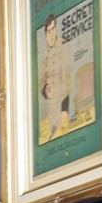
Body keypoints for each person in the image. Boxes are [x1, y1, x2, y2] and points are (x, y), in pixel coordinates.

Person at [38, 12, 71, 142]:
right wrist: (45, 89)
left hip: (61, 100)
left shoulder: (62, 45)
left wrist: (64, 109)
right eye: (49, 31)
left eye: (53, 30)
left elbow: (67, 77)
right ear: (45, 34)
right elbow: (41, 80)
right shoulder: (44, 53)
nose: (51, 34)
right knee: (50, 138)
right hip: (50, 104)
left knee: (63, 135)